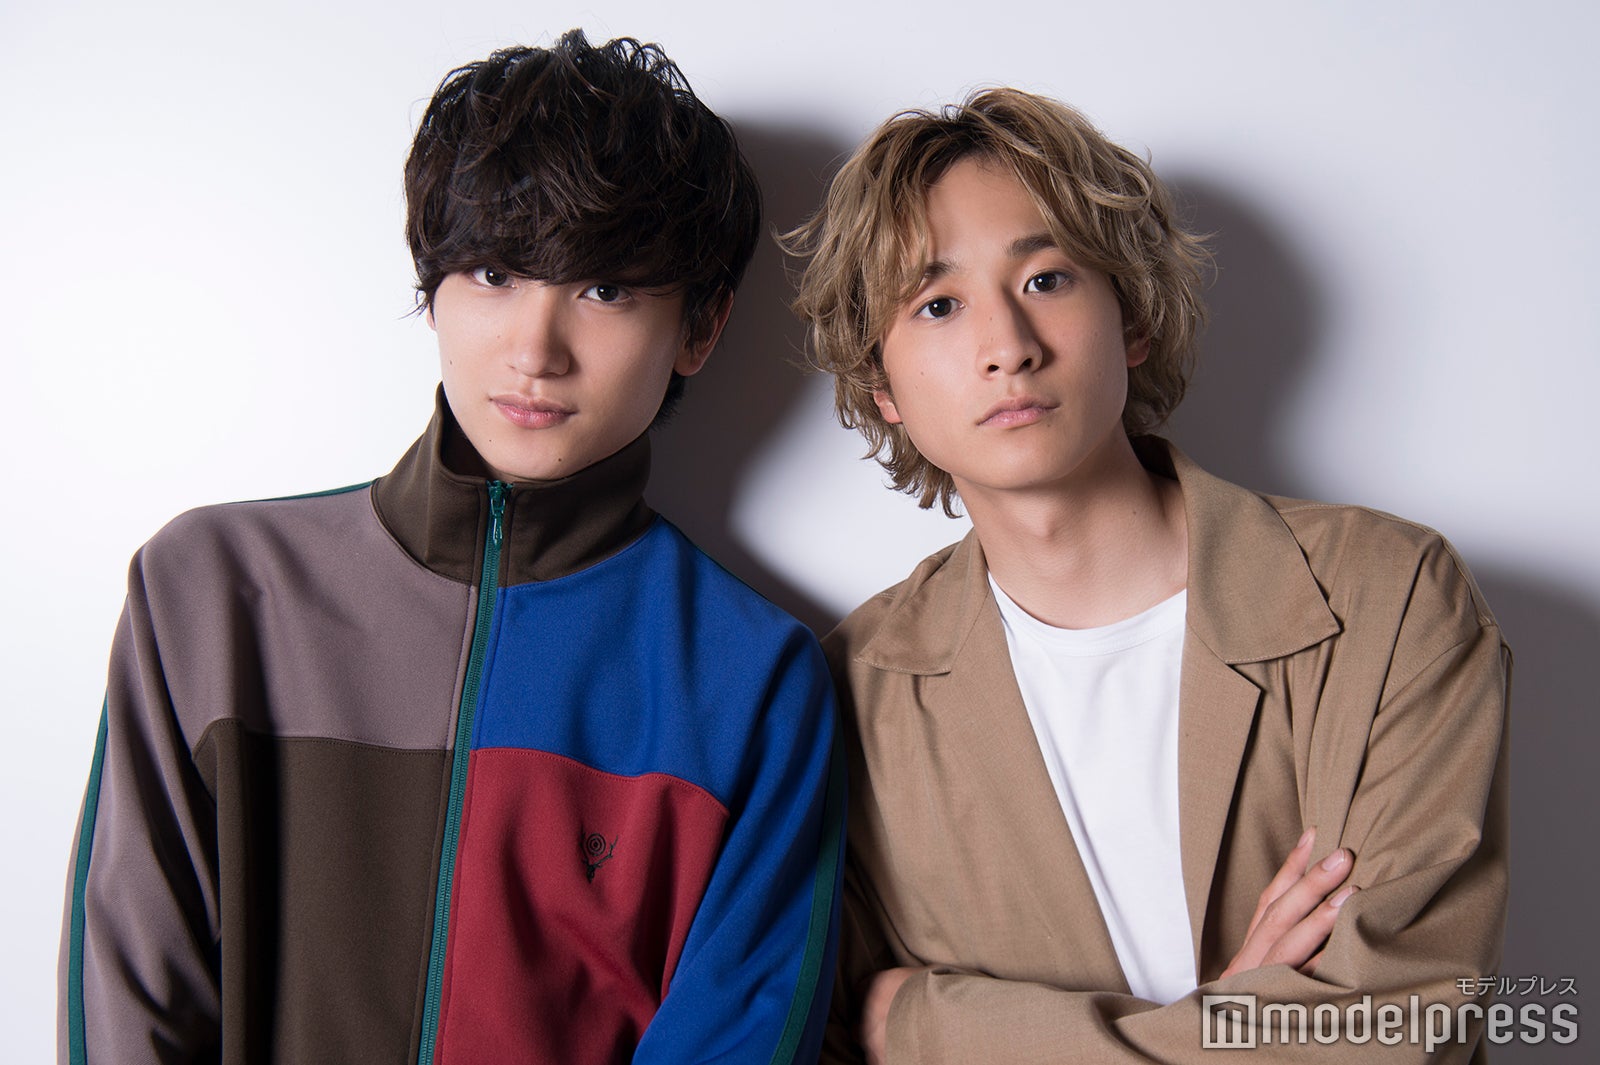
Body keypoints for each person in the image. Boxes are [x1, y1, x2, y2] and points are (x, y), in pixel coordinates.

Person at [58, 30, 842, 1065]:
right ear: (433, 288)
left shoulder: (754, 679)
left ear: (699, 328)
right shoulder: (211, 592)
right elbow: (133, 997)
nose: (534, 349)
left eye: (607, 290)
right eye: (493, 272)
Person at [785, 88, 1508, 1063]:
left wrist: (928, 1024)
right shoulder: (850, 692)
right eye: (938, 304)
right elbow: (825, 1041)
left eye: (1046, 278)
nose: (1007, 347)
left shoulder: (1390, 598)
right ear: (883, 386)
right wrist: (1239, 1023)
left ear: (1131, 318)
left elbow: (1399, 1023)